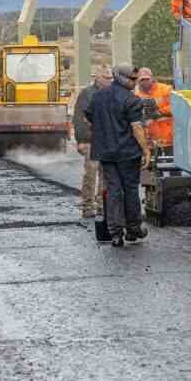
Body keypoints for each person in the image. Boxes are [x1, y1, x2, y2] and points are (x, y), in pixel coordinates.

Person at [83, 63, 151, 247]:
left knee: (113, 190)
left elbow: (88, 118)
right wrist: (146, 150)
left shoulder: (98, 97)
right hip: (128, 153)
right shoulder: (132, 100)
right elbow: (137, 128)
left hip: (106, 152)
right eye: (132, 79)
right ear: (122, 78)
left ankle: (115, 234)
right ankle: (133, 229)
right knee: (130, 189)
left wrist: (103, 131)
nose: (135, 82)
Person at [72, 66, 112, 218]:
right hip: (91, 140)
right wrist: (81, 140)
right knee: (91, 174)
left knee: (105, 175)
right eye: (106, 78)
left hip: (108, 140)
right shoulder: (87, 94)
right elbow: (79, 118)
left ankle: (102, 205)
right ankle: (87, 206)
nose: (109, 81)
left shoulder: (111, 93)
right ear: (97, 78)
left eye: (110, 78)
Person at [134, 67, 174, 159]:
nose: (145, 82)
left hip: (168, 138)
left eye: (147, 79)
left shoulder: (166, 89)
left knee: (170, 163)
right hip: (149, 141)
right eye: (142, 79)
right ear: (138, 81)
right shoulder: (135, 95)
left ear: (152, 78)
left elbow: (176, 106)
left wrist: (159, 111)